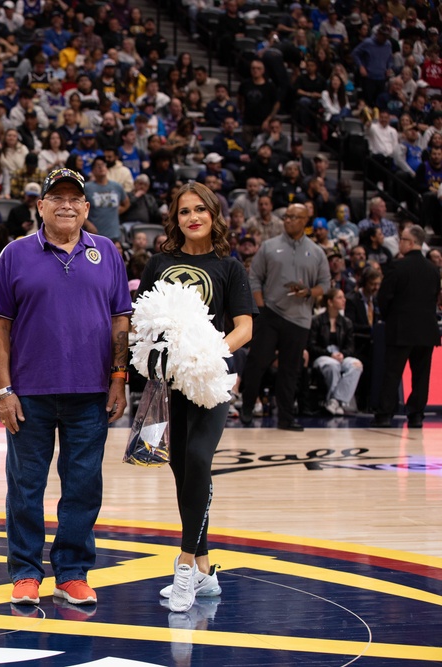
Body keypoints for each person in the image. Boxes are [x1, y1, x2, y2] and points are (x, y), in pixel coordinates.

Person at [0, 167, 131, 607]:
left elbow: (120, 320)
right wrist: (5, 391)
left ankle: (71, 572)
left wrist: (119, 378)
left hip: (90, 393)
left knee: (83, 485)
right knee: (26, 486)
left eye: (75, 198)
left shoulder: (107, 252)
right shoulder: (15, 254)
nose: (66, 205)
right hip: (29, 392)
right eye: (57, 197)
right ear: (41, 206)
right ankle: (26, 573)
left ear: (87, 208)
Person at [137, 180, 254, 612]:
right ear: (176, 218)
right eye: (184, 211)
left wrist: (207, 350)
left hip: (208, 378)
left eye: (200, 210)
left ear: (213, 214)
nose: (193, 218)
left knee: (201, 460)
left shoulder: (229, 266)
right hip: (168, 384)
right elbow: (142, 321)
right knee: (184, 471)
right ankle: (205, 570)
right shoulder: (159, 263)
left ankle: (184, 567)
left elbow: (245, 326)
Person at [239, 203, 331, 431]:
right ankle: (247, 408)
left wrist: (309, 292)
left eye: (294, 217)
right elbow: (255, 279)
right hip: (270, 314)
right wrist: (261, 308)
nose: (288, 220)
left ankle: (286, 418)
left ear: (305, 221)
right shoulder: (269, 247)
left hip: (299, 318)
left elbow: (325, 285)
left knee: (290, 370)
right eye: (287, 216)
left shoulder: (317, 251)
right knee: (256, 364)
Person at [372, 224, 441, 428]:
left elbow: (384, 297)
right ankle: (417, 415)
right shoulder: (433, 269)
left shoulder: (397, 266)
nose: (399, 242)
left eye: (402, 239)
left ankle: (385, 415)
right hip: (427, 330)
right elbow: (435, 297)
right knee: (421, 375)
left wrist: (389, 316)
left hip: (401, 329)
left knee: (393, 372)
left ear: (411, 243)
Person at [308, 288, 362, 416]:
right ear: (330, 302)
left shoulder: (346, 322)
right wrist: (330, 354)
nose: (344, 300)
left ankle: (334, 401)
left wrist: (343, 354)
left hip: (340, 356)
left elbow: (350, 347)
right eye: (340, 297)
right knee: (332, 366)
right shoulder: (316, 321)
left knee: (356, 365)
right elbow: (312, 346)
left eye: (344, 297)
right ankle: (337, 401)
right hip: (323, 356)